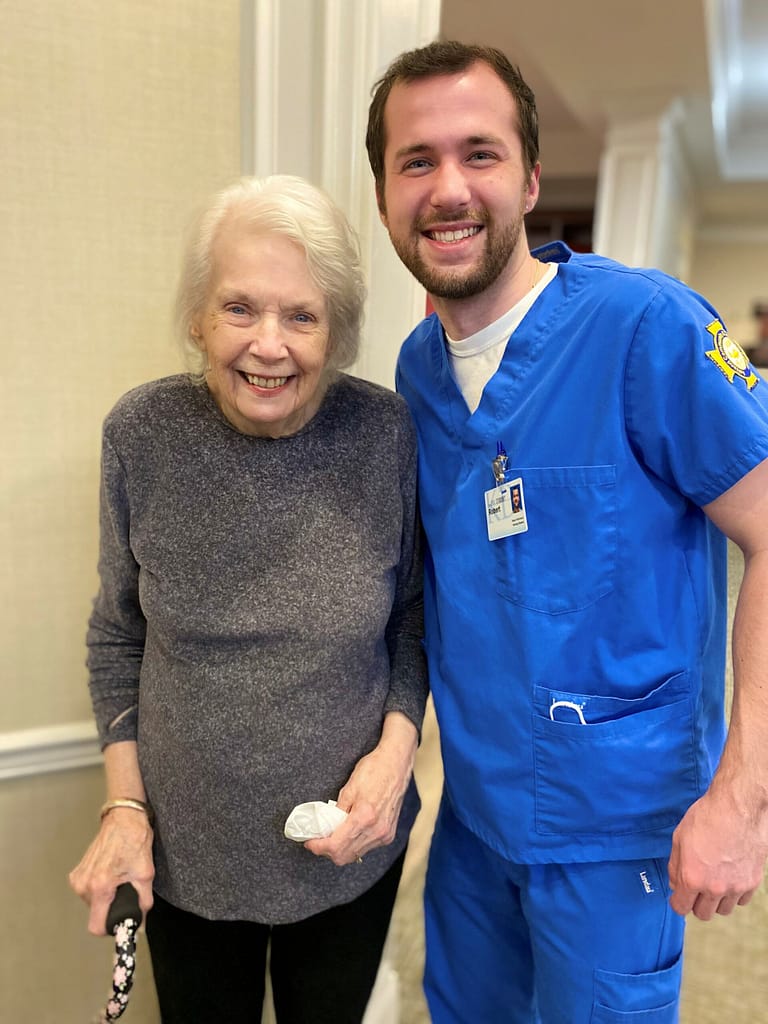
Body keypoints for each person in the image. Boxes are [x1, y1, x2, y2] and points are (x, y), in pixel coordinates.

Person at [365, 39, 768, 1024]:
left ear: (532, 178)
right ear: (381, 193)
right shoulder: (417, 372)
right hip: (476, 817)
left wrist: (745, 798)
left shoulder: (649, 328)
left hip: (617, 832)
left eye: (480, 153)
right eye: (416, 161)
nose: (448, 187)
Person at [69, 174, 428, 1024]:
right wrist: (125, 806)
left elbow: (412, 614)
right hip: (185, 856)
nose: (269, 345)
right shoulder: (141, 435)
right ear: (198, 316)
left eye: (301, 316)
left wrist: (396, 756)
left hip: (352, 844)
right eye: (240, 308)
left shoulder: (387, 437)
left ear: (334, 332)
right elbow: (118, 634)